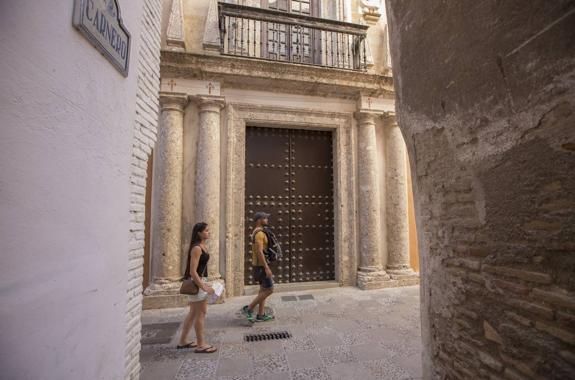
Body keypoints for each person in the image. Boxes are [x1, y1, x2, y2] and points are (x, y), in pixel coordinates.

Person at [177, 222, 217, 353]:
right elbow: (193, 272)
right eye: (206, 230)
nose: (208, 232)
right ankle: (201, 344)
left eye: (208, 230)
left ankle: (183, 341)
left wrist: (206, 282)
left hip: (200, 281)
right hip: (197, 283)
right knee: (201, 313)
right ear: (199, 233)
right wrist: (204, 287)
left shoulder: (202, 246)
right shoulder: (197, 248)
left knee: (193, 313)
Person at [242, 212, 275, 322]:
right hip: (261, 266)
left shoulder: (257, 232)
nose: (267, 219)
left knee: (263, 290)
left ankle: (261, 315)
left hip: (260, 265)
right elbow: (259, 252)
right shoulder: (259, 234)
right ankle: (249, 308)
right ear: (259, 220)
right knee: (270, 290)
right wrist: (266, 267)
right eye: (265, 218)